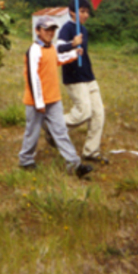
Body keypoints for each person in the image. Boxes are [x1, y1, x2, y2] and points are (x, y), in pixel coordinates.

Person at [18, 16, 93, 179]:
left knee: (60, 131)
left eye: (52, 30)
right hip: (36, 102)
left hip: (54, 99)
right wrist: (39, 102)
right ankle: (25, 160)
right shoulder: (34, 50)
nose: (50, 33)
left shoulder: (51, 48)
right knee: (33, 131)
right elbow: (33, 77)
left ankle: (74, 164)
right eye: (46, 30)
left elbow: (58, 60)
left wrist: (74, 53)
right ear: (37, 31)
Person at [53, 0, 109, 164]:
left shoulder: (84, 30)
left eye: (87, 12)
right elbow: (58, 49)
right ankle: (54, 126)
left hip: (88, 76)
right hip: (74, 77)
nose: (85, 15)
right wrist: (73, 43)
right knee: (84, 111)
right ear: (72, 12)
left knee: (98, 114)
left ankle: (91, 151)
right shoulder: (67, 29)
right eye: (82, 11)